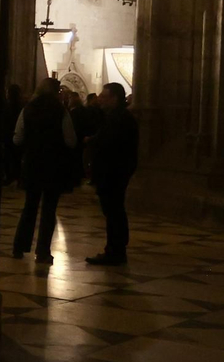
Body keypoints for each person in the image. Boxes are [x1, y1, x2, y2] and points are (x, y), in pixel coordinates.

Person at [11, 78, 76, 264]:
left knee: (29, 207)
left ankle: (19, 246)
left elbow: (17, 138)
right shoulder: (61, 111)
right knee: (49, 209)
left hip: (32, 164)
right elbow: (70, 140)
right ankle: (43, 251)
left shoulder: (27, 109)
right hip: (54, 166)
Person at [87, 81, 138, 265]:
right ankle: (114, 249)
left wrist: (94, 143)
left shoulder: (120, 119)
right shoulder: (115, 117)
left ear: (115, 98)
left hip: (113, 172)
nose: (100, 99)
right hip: (112, 172)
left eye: (104, 96)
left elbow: (112, 145)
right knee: (113, 211)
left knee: (114, 211)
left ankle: (115, 251)